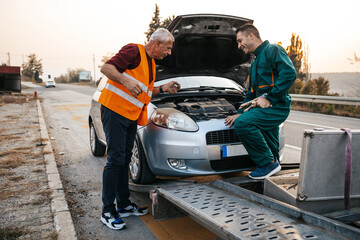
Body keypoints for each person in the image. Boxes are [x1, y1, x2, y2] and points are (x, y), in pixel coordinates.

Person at [98, 28, 181, 230]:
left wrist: (163, 88)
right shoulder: (133, 50)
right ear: (157, 43)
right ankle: (108, 210)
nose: (169, 53)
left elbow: (144, 90)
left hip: (130, 115)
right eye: (168, 48)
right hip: (114, 111)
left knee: (125, 158)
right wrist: (126, 79)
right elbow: (106, 68)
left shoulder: (151, 63)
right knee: (115, 159)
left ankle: (124, 204)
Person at [225, 24, 296, 180]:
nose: (239, 45)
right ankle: (272, 167)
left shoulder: (273, 50)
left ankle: (267, 163)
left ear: (251, 36)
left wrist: (269, 98)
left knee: (243, 124)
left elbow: (289, 74)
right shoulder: (255, 62)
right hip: (266, 109)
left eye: (240, 40)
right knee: (266, 136)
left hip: (277, 107)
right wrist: (239, 113)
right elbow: (251, 95)